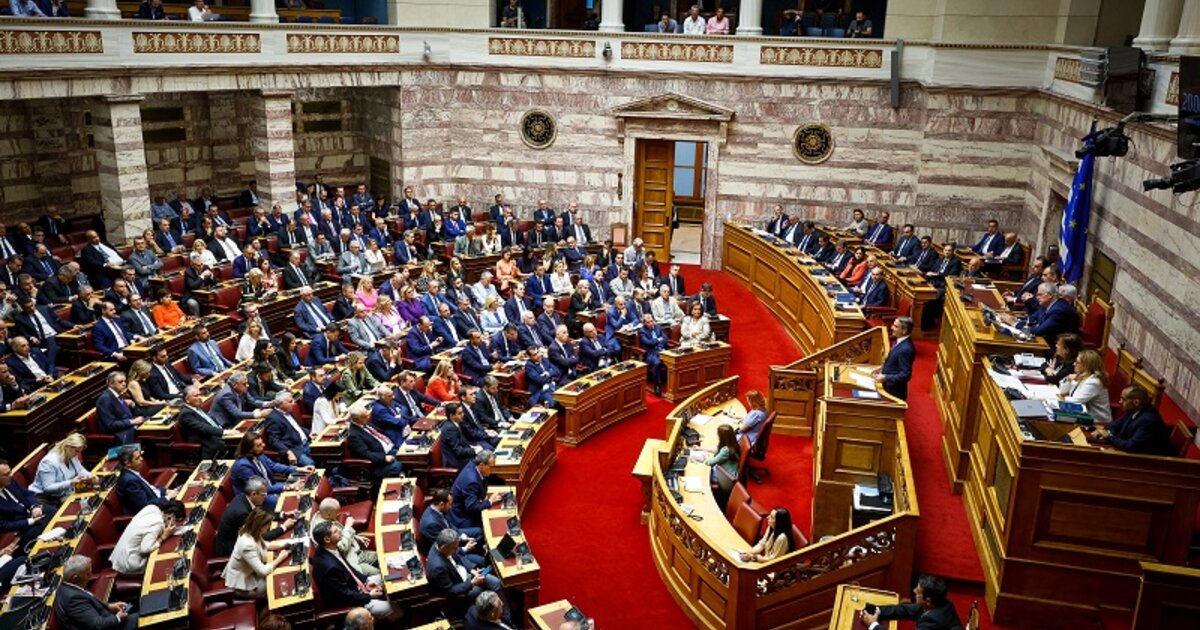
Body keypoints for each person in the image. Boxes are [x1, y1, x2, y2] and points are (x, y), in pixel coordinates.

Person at [311, 521, 399, 620]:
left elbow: (350, 570)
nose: (340, 530)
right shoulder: (330, 567)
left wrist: (366, 581)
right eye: (335, 531)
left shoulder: (330, 548)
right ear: (327, 539)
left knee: (391, 577)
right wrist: (369, 595)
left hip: (356, 588)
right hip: (352, 603)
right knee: (396, 609)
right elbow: (345, 596)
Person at [427, 528, 506, 615]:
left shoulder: (442, 545)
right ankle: (498, 615)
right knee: (484, 592)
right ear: (443, 547)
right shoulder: (437, 568)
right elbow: (451, 591)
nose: (457, 550)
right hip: (462, 587)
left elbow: (459, 558)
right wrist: (472, 583)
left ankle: (504, 614)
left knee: (495, 582)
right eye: (454, 548)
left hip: (467, 575)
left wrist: (472, 571)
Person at [224, 507, 293, 599]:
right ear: (261, 526)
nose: (269, 527)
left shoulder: (249, 530)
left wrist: (283, 545)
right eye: (268, 524)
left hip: (250, 573)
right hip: (241, 586)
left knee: (276, 571)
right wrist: (281, 557)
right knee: (276, 585)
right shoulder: (247, 545)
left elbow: (264, 544)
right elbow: (263, 571)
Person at [54, 555, 138, 630]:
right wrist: (117, 618)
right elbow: (97, 626)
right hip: (109, 626)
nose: (91, 576)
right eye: (87, 574)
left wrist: (110, 606)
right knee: (143, 619)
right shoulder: (73, 600)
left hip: (106, 617)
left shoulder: (70, 586)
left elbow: (90, 604)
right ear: (75, 578)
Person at [1092, 384, 1174, 456]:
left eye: (1123, 399)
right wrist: (1105, 432)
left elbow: (1131, 446)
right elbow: (1114, 425)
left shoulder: (1147, 421)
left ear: (1136, 402)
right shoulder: (1133, 409)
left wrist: (1109, 436)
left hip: (1155, 462)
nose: (1120, 401)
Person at [111, 500, 186, 576]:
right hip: (129, 564)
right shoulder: (158, 523)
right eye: (177, 522)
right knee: (166, 564)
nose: (175, 525)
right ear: (171, 516)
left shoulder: (152, 508)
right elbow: (145, 549)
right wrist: (163, 537)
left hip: (120, 558)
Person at [861, 574, 961, 630]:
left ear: (928, 601)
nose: (914, 591)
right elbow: (906, 609)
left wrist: (873, 625)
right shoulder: (940, 603)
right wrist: (877, 610)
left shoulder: (933, 622)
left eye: (918, 591)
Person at [312, 498, 379, 577]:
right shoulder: (323, 530)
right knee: (379, 574)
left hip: (356, 551)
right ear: (329, 514)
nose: (338, 514)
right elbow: (341, 549)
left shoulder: (324, 515)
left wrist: (356, 537)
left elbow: (340, 533)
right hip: (351, 561)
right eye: (337, 512)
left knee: (382, 558)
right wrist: (348, 527)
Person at [31, 433, 95, 505]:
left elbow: (80, 470)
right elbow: (47, 488)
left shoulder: (71, 455)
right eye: (77, 451)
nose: (77, 454)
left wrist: (90, 476)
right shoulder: (49, 462)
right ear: (68, 446)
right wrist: (70, 482)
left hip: (62, 493)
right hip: (44, 498)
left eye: (79, 451)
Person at [115, 445, 178, 515]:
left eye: (140, 456)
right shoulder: (130, 481)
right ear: (128, 463)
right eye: (137, 458)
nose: (141, 459)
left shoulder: (132, 472)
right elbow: (146, 506)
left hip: (157, 500)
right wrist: (167, 498)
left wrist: (166, 491)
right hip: (152, 513)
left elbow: (150, 488)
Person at [450, 450, 503, 530]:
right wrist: (490, 501)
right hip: (462, 517)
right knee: (491, 528)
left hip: (466, 506)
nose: (493, 470)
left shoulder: (473, 465)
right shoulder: (472, 481)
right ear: (482, 465)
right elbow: (472, 507)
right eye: (491, 467)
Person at [1057, 349, 1112, 424]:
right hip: (1082, 415)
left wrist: (1059, 399)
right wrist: (1068, 379)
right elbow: (1062, 391)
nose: (1074, 364)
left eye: (1077, 362)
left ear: (1086, 366)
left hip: (1098, 422)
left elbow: (1076, 401)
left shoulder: (1094, 382)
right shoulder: (1082, 376)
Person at [0, 458, 47, 545]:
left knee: (53, 510)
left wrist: (35, 506)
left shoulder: (10, 482)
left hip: (33, 514)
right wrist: (31, 521)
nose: (12, 475)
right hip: (21, 528)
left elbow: (27, 494)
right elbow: (3, 525)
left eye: (10, 471)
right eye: (6, 474)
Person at [263, 391, 315, 466]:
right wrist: (288, 452)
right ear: (281, 404)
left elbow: (297, 427)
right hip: (294, 449)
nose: (294, 403)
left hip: (306, 442)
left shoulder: (289, 411)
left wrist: (309, 433)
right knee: (310, 463)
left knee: (324, 452)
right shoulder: (272, 418)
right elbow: (274, 440)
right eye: (290, 401)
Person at [695, 424, 740, 510]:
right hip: (727, 473)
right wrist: (701, 449)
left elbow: (710, 462)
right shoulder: (732, 444)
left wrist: (705, 457)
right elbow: (717, 449)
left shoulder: (726, 450)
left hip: (726, 478)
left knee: (701, 475)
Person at [874, 317, 915, 400]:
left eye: (896, 326)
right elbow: (894, 361)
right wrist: (882, 368)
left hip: (893, 392)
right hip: (886, 385)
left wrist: (885, 377)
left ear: (904, 330)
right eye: (893, 325)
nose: (892, 328)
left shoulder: (906, 349)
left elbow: (905, 375)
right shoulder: (899, 340)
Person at [638, 314, 668, 396]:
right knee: (657, 363)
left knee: (673, 359)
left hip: (662, 350)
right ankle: (657, 386)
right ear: (644, 323)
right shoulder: (642, 331)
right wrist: (658, 340)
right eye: (648, 322)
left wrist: (660, 342)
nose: (651, 323)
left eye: (652, 321)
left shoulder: (657, 327)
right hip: (651, 353)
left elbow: (665, 338)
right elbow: (648, 343)